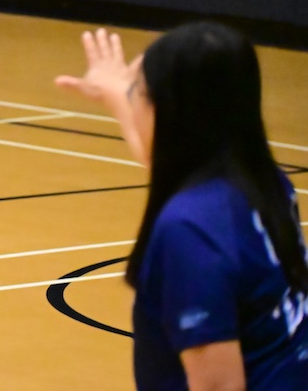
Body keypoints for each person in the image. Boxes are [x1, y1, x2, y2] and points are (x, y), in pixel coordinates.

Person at [56, 23, 308, 390]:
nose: (133, 102)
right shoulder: (266, 181)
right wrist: (115, 93)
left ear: (170, 111)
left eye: (139, 92)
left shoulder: (189, 231)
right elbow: (171, 156)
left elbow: (219, 386)